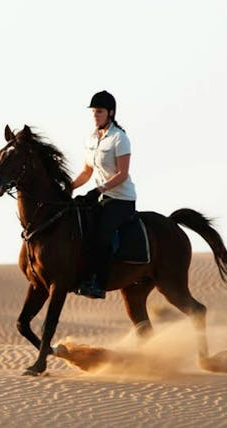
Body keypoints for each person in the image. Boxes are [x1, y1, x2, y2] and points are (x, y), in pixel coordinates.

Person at [71, 90, 137, 299]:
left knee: (101, 233)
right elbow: (86, 172)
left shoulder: (119, 138)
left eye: (99, 111)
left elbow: (122, 174)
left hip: (121, 199)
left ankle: (98, 283)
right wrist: (69, 187)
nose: (95, 115)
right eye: (93, 112)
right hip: (100, 197)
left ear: (110, 112)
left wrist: (99, 189)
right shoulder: (91, 139)